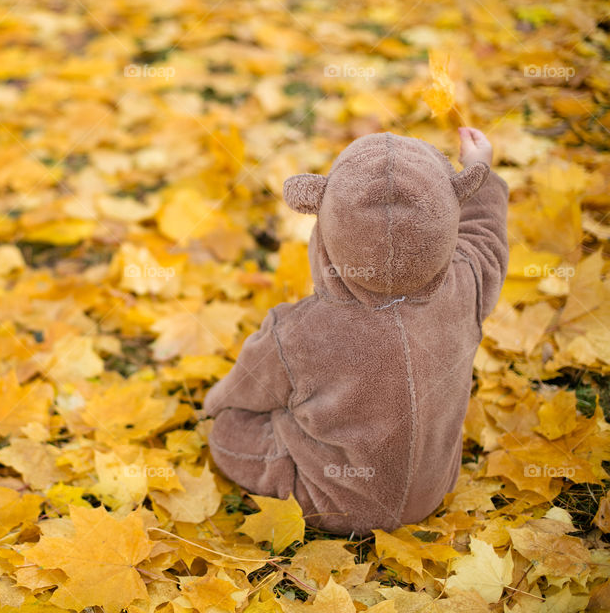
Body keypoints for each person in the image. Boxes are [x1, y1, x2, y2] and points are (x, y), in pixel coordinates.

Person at [203, 128, 508, 535]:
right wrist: (480, 170)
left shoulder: (298, 331)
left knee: (228, 431)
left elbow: (245, 388)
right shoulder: (468, 283)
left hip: (334, 504)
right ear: (450, 208)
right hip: (434, 489)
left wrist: (214, 404)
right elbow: (487, 236)